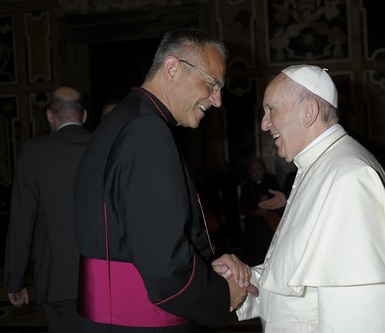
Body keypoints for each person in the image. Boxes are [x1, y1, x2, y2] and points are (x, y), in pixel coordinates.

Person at [73, 28, 255, 333]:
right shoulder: (147, 130)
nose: (218, 100)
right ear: (172, 68)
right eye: (212, 84)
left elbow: (136, 240)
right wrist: (222, 294)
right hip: (144, 322)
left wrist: (207, 270)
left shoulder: (128, 118)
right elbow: (165, 267)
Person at [236, 65, 385, 332]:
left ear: (308, 111)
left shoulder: (349, 177)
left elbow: (363, 320)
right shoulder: (320, 166)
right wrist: (240, 282)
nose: (265, 123)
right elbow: (298, 288)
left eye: (271, 110)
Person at [4, 86, 91, 332]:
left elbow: (21, 219)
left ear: (50, 116)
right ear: (83, 115)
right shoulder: (105, 145)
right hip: (105, 278)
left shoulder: (33, 152)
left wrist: (14, 279)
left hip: (57, 280)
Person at [239, 158, 282, 266]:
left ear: (263, 170)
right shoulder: (246, 186)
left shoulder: (271, 182)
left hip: (270, 225)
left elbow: (281, 202)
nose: (256, 173)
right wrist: (258, 204)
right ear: (250, 172)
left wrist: (268, 206)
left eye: (259, 170)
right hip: (253, 226)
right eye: (253, 170)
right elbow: (243, 206)